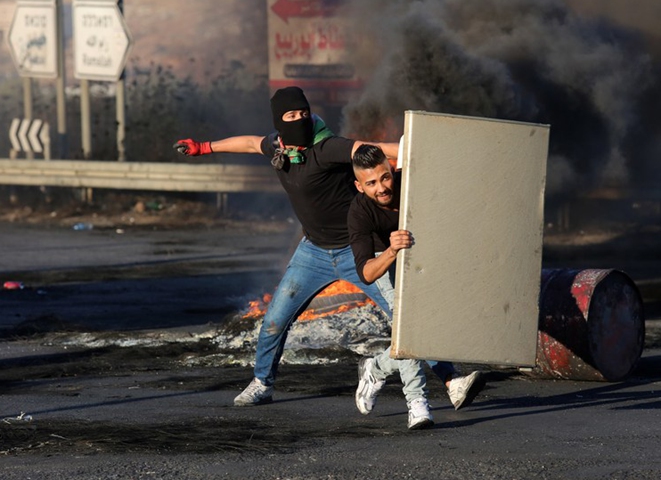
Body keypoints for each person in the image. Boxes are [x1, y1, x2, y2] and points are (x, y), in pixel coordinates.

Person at [173, 86, 484, 411]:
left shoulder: (327, 147)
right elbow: (251, 143)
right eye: (292, 116)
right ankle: (262, 383)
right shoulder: (277, 147)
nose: (300, 120)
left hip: (358, 250)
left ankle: (452, 381)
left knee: (404, 318)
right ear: (280, 121)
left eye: (304, 113)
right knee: (275, 321)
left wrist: (417, 145)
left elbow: (373, 149)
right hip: (312, 252)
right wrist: (204, 147)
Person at [348, 144, 487, 419]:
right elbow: (367, 273)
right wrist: (391, 250)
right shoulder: (359, 212)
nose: (382, 188)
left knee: (429, 323)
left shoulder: (410, 182)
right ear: (359, 186)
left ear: (392, 168)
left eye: (385, 177)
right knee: (408, 324)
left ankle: (375, 368)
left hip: (419, 248)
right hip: (383, 257)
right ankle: (418, 403)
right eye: (371, 183)